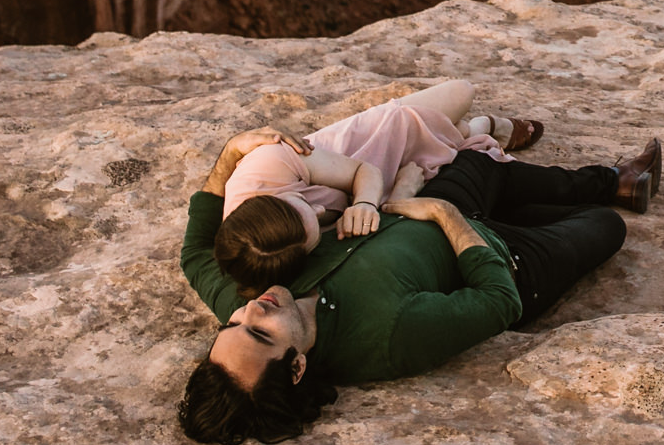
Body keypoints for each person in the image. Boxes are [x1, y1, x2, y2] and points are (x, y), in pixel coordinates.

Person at [175, 123, 661, 445]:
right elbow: (498, 303)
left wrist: (232, 153)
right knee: (604, 226)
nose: (251, 311)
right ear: (297, 367)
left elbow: (196, 250)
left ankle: (609, 178)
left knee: (477, 166)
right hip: (503, 259)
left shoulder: (249, 299)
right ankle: (586, 198)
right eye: (261, 333)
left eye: (233, 325)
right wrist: (448, 219)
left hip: (421, 207)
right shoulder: (390, 338)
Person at [210, 79, 543, 293]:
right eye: (315, 226)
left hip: (357, 153)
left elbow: (364, 169)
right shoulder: (270, 255)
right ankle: (471, 130)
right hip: (368, 191)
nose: (319, 208)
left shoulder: (267, 164)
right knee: (441, 145)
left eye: (303, 204)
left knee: (462, 91)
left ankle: (474, 128)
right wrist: (393, 198)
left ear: (270, 198)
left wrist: (365, 205)